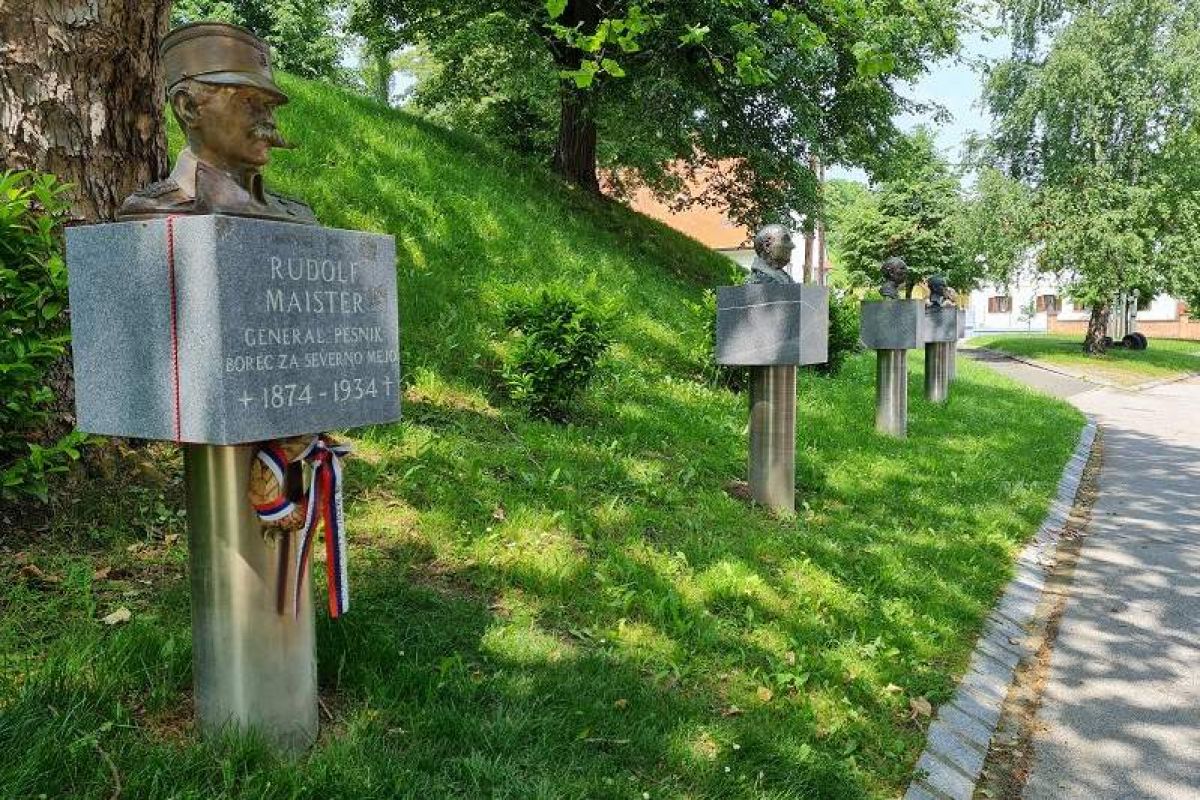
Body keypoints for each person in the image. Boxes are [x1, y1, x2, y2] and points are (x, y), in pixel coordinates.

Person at [118, 22, 315, 224]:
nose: (269, 120)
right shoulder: (154, 208)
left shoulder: (296, 212)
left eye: (269, 106)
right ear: (188, 108)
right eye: (249, 101)